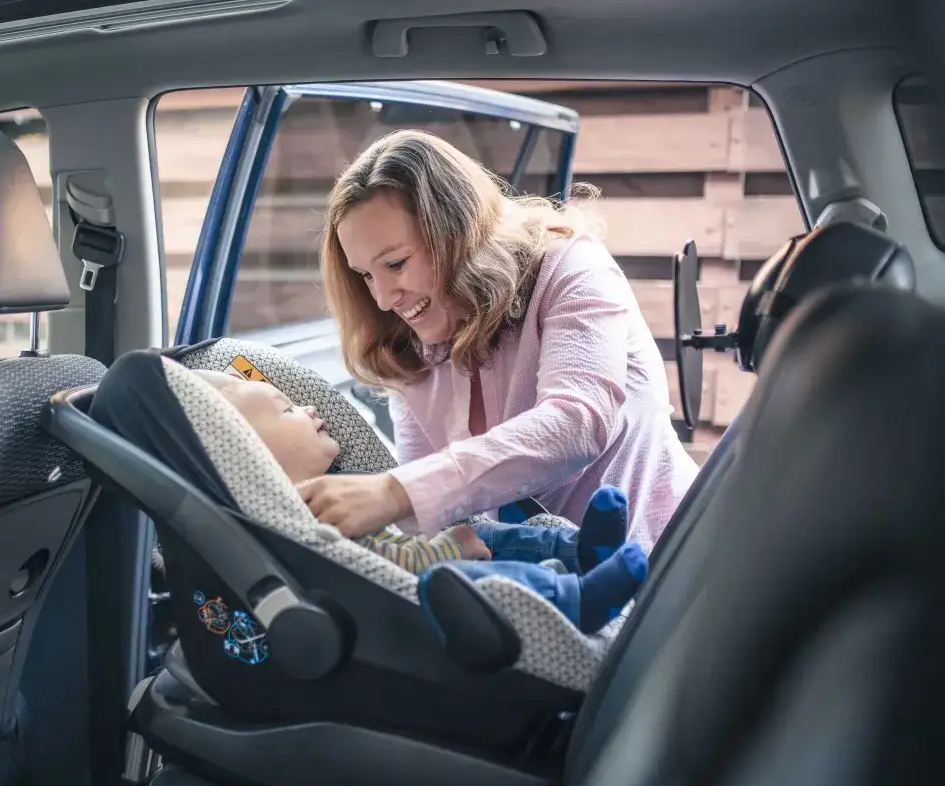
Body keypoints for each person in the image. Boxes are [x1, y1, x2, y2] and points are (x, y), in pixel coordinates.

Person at [297, 130, 698, 554]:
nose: (382, 298)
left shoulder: (573, 268)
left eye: (396, 263)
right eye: (365, 275)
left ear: (458, 234)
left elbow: (577, 422)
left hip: (666, 568)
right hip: (542, 592)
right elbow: (436, 512)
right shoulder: (410, 346)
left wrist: (394, 493)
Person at [195, 370, 647, 634]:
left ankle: (579, 551)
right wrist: (451, 547)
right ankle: (574, 600)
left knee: (488, 532)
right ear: (249, 452)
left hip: (420, 561)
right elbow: (383, 568)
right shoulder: (300, 516)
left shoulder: (324, 494)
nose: (310, 410)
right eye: (286, 410)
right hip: (417, 601)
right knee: (468, 575)